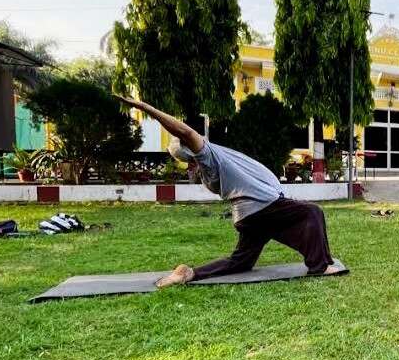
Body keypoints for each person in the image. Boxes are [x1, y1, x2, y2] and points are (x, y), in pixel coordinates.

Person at [117, 95, 344, 287]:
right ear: (191, 149)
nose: (197, 136)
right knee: (312, 212)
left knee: (241, 263)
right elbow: (185, 132)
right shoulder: (206, 155)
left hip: (251, 214)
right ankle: (320, 266)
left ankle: (190, 273)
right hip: (261, 208)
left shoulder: (215, 159)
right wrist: (147, 108)